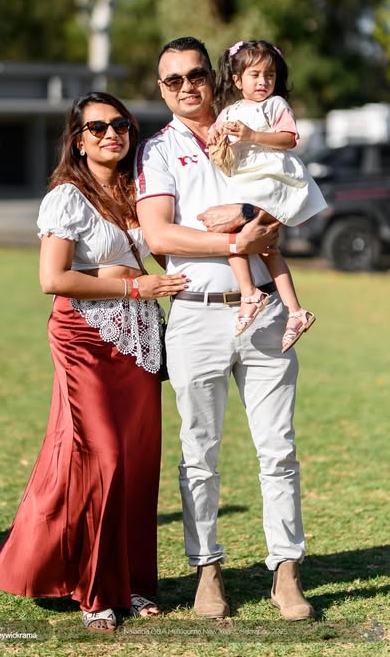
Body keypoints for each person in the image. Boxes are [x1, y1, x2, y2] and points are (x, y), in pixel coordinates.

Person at [0, 92, 187, 634]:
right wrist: (134, 285)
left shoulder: (138, 188)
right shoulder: (66, 197)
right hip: (85, 338)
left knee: (141, 463)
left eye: (119, 125)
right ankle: (96, 590)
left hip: (139, 339)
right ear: (78, 139)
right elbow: (53, 279)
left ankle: (138, 583)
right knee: (107, 459)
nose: (110, 135)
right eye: (96, 128)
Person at [134, 37, 316, 622]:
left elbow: (293, 192)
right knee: (199, 452)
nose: (187, 86)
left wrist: (248, 222)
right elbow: (161, 237)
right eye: (172, 80)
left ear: (215, 77)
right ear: (162, 89)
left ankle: (286, 572)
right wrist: (236, 241)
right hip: (195, 312)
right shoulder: (156, 152)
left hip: (262, 307)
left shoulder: (251, 122)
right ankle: (206, 571)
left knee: (278, 449)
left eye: (195, 74)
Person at [207, 39, 327, 350]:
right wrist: (215, 134)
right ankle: (296, 310)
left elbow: (289, 139)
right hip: (246, 181)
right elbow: (216, 133)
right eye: (255, 75)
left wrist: (252, 136)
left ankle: (250, 293)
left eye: (269, 76)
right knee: (266, 248)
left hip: (271, 180)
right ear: (237, 80)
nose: (263, 82)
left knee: (234, 234)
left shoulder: (275, 105)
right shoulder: (229, 111)